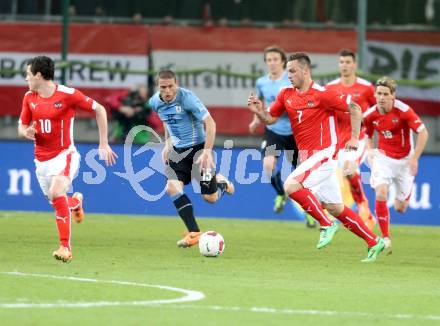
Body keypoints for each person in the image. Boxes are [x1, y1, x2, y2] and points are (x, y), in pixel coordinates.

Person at [248, 52, 385, 262]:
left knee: (291, 185)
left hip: (325, 153)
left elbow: (355, 108)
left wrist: (355, 138)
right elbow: (271, 119)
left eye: (293, 71)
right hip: (308, 158)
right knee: (336, 207)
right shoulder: (286, 94)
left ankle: (326, 224)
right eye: (288, 72)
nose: (289, 75)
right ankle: (374, 241)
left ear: (305, 70)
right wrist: (259, 112)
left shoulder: (323, 93)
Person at [18, 56, 117, 262]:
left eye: (28, 74)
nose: (26, 78)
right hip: (41, 161)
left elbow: (99, 109)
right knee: (57, 200)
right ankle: (76, 203)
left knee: (56, 192)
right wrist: (25, 132)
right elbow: (22, 125)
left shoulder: (68, 95)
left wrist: (104, 143)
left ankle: (65, 247)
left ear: (38, 75)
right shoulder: (29, 97)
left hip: (65, 155)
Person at [149, 69, 234, 248]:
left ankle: (223, 184)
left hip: (199, 150)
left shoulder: (188, 99)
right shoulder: (155, 102)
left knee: (209, 198)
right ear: (158, 87)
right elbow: (166, 119)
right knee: (172, 187)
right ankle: (194, 233)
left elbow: (210, 124)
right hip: (178, 152)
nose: (167, 91)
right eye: (163, 87)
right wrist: (167, 142)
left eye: (171, 86)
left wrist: (206, 151)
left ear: (176, 84)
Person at [363, 76, 429, 253]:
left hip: (405, 160)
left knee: (401, 208)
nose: (381, 97)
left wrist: (414, 158)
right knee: (381, 192)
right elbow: (367, 134)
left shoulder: (404, 111)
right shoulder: (370, 115)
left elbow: (423, 133)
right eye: (379, 94)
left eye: (385, 94)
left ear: (393, 96)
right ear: (375, 94)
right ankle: (385, 238)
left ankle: (405, 196)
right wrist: (370, 150)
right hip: (383, 158)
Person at [249, 46, 302, 217]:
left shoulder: (290, 81)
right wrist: (256, 120)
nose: (272, 63)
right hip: (274, 132)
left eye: (275, 60)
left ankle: (308, 209)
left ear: (283, 62)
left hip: (295, 133)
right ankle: (280, 193)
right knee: (268, 164)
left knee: (301, 173)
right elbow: (260, 104)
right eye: (269, 60)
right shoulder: (261, 82)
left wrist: (282, 110)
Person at [326, 49, 376, 230]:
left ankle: (363, 206)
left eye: (348, 62)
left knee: (348, 169)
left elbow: (377, 110)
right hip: (337, 141)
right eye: (342, 62)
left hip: (358, 139)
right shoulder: (330, 88)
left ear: (354, 64)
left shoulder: (366, 87)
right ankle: (329, 216)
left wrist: (370, 130)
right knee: (327, 175)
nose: (344, 65)